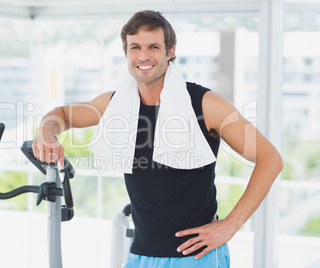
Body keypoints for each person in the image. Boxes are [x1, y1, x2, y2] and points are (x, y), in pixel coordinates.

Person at [32, 10, 283, 268]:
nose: (143, 56)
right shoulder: (116, 102)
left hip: (197, 257)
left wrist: (230, 226)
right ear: (126, 53)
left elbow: (270, 159)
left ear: (170, 52)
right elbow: (62, 115)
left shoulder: (206, 104)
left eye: (153, 47)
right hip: (140, 255)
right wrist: (46, 131)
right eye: (135, 47)